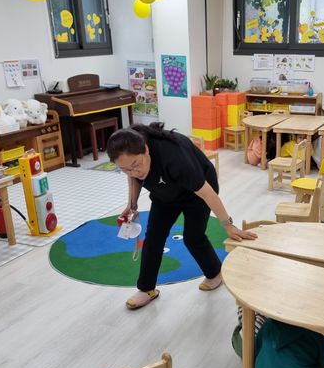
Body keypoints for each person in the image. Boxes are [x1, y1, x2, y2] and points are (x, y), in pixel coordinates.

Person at [107, 122, 256, 310]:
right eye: (126, 169)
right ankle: (146, 289)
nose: (133, 171)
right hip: (164, 194)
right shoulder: (131, 155)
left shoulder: (174, 158)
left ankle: (214, 273)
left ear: (146, 149)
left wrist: (228, 225)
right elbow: (134, 177)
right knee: (153, 238)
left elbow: (208, 194)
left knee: (193, 237)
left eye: (136, 165)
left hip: (196, 193)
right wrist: (132, 204)